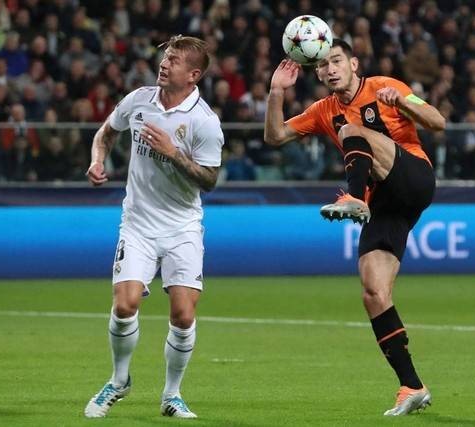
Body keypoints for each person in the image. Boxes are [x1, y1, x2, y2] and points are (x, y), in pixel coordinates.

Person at [264, 39, 445, 416]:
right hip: (387, 205)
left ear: (354, 63)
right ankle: (412, 385)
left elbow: (438, 122)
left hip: (414, 177)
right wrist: (276, 92)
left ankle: (354, 197)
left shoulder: (382, 87)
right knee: (374, 291)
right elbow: (275, 136)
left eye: (336, 61)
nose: (329, 69)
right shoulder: (323, 109)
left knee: (351, 132)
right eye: (323, 65)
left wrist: (405, 102)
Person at [84, 35, 224, 419]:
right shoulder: (139, 100)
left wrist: (173, 153)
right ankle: (118, 380)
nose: (165, 64)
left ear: (193, 75)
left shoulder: (204, 121)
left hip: (182, 227)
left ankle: (172, 395)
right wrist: (98, 160)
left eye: (175, 60)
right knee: (125, 304)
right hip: (138, 224)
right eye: (165, 57)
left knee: (183, 315)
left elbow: (210, 180)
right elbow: (106, 133)